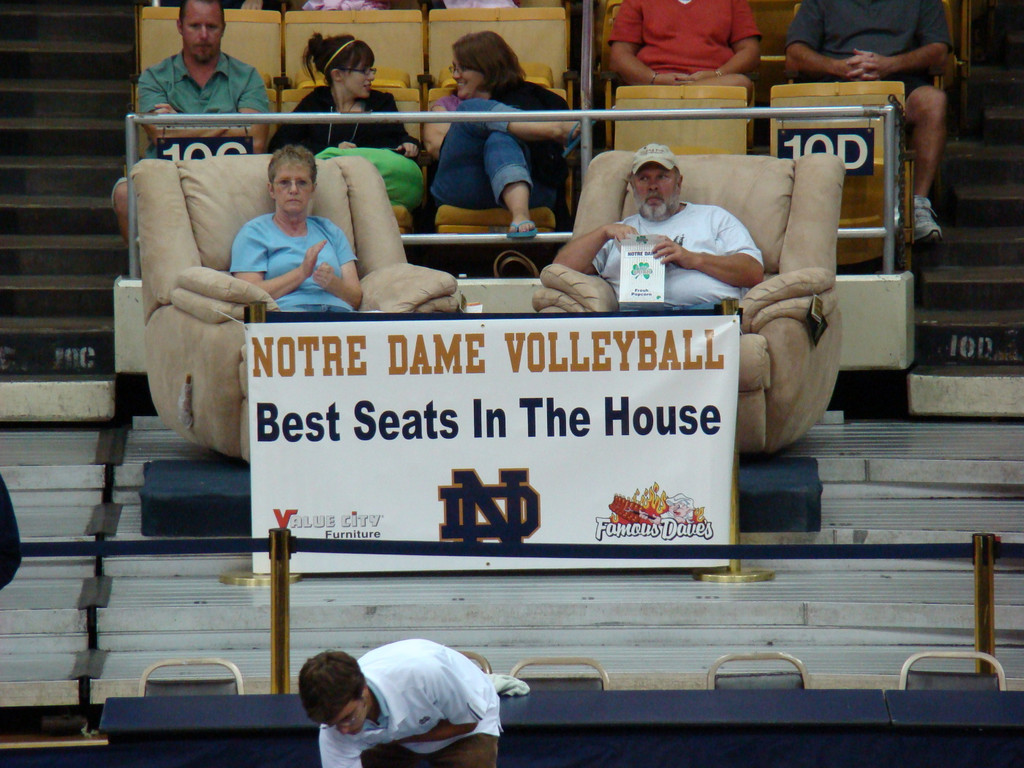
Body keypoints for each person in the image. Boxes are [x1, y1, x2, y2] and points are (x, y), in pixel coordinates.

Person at [785, 0, 951, 242]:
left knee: (934, 101)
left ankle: (916, 205)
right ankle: (802, 211)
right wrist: (837, 67)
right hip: (835, 84)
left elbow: (938, 51)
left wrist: (890, 64)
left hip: (900, 83)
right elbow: (795, 53)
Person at [112, 0, 270, 241]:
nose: (204, 35)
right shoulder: (154, 77)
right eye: (195, 26)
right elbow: (159, 134)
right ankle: (146, 275)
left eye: (212, 27)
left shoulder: (248, 77)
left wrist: (181, 123)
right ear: (180, 26)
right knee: (124, 193)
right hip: (168, 176)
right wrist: (230, 125)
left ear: (224, 28)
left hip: (231, 177)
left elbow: (256, 141)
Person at [554, 143, 764, 308]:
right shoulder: (619, 232)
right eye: (644, 178)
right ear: (633, 186)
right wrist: (603, 232)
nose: (653, 186)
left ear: (679, 182)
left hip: (705, 316)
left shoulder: (713, 218)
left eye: (662, 177)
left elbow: (752, 272)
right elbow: (560, 270)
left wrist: (692, 258)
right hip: (639, 325)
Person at [424, 31, 579, 238]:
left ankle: (520, 215)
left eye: (463, 68)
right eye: (454, 68)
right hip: (464, 185)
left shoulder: (536, 99)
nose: (455, 75)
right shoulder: (447, 105)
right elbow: (436, 148)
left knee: (500, 137)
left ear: (487, 69)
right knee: (474, 113)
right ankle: (553, 129)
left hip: (529, 190)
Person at [269, 33, 422, 209]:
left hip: (371, 191)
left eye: (371, 70)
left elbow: (399, 140)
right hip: (325, 192)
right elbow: (279, 145)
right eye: (364, 71)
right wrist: (332, 150)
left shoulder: (382, 102)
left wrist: (409, 144)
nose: (371, 77)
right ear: (338, 75)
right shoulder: (315, 103)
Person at [299, 639, 500, 768]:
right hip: (392, 737)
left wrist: (399, 739)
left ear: (363, 691)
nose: (343, 730)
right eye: (335, 724)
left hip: (463, 725)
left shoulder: (425, 674)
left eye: (348, 718)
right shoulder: (333, 727)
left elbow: (467, 723)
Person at [231, 145, 362, 312]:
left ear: (312, 189)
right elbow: (248, 297)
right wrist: (301, 273)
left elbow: (356, 298)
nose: (293, 190)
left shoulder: (330, 230)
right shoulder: (253, 233)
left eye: (302, 183)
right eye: (284, 183)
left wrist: (333, 283)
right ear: (271, 190)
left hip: (339, 316)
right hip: (289, 317)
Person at [608, 0, 761, 98]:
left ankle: (677, 99)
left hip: (714, 83)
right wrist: (654, 78)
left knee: (740, 83)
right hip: (654, 84)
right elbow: (619, 55)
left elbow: (750, 51)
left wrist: (716, 74)